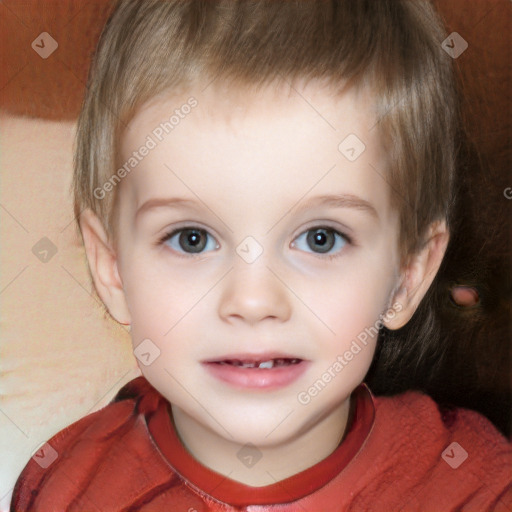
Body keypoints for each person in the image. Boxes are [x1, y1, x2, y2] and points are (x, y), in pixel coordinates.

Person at [10, 0, 511, 510]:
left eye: (321, 238)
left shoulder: (475, 487)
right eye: (192, 238)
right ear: (111, 268)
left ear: (407, 275)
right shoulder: (66, 485)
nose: (252, 301)